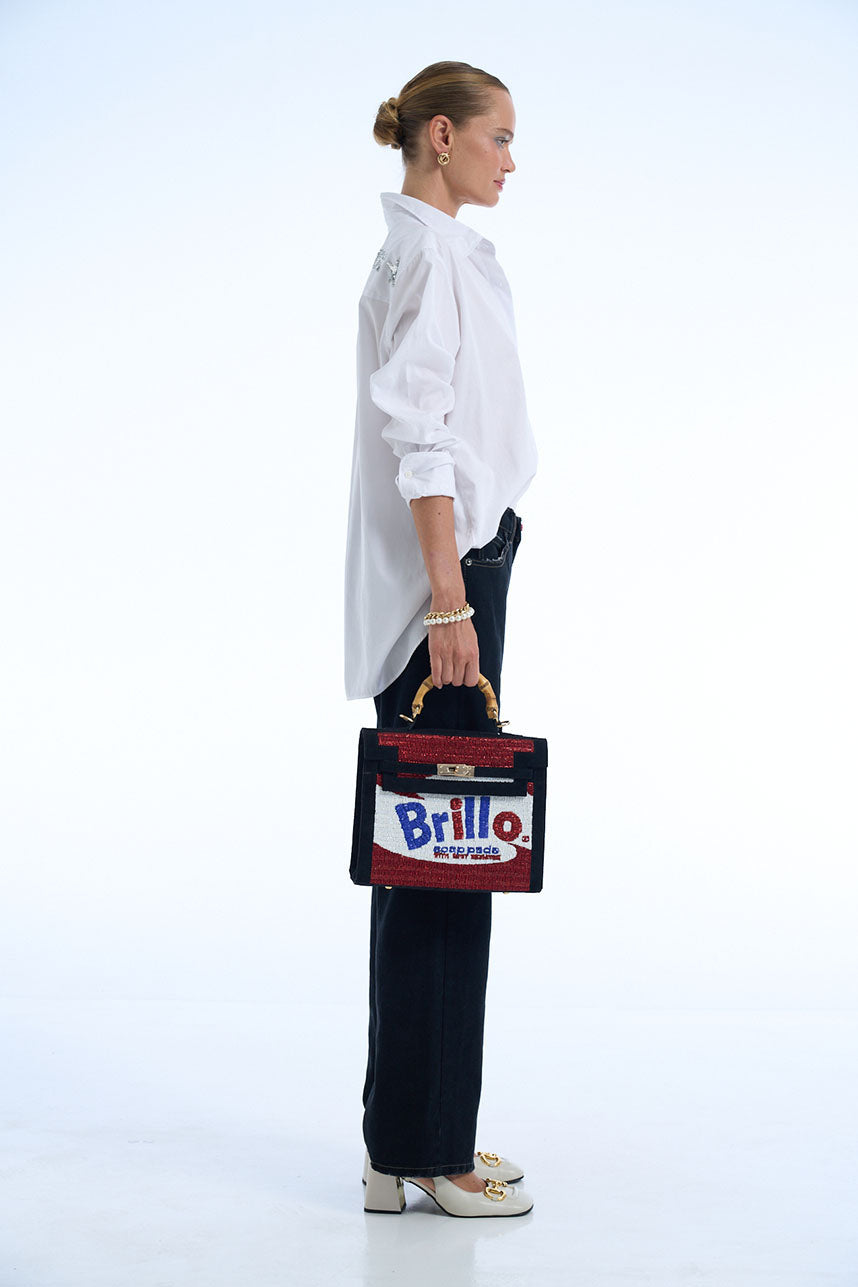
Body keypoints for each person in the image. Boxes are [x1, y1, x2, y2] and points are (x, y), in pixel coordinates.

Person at [344, 61, 538, 1218]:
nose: (512, 159)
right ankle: (432, 1152)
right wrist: (450, 602)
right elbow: (420, 433)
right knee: (450, 872)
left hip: (452, 580)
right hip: (447, 593)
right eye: (499, 136)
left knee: (427, 867)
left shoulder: (429, 248)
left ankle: (404, 1140)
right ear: (442, 136)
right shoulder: (428, 254)